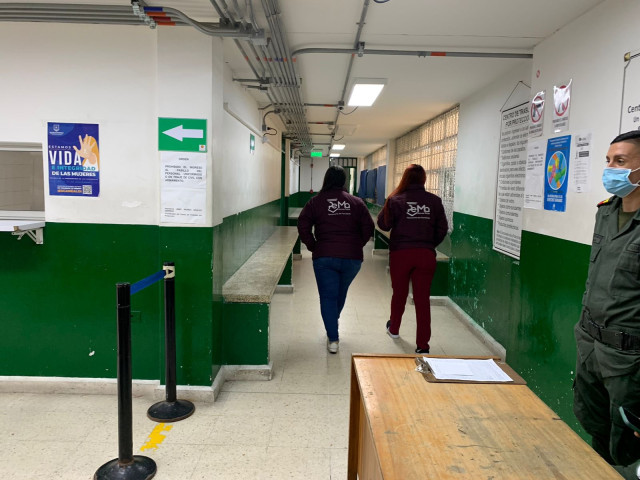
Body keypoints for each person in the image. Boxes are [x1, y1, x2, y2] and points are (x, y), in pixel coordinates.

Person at [573, 130, 640, 469]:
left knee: (628, 438)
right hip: (591, 345)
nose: (610, 169)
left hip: (628, 357)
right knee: (596, 427)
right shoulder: (606, 211)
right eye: (608, 161)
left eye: (621, 161)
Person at [297, 165, 374, 354]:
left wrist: (313, 245)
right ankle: (332, 324)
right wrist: (357, 244)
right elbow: (368, 227)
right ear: (343, 181)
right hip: (352, 259)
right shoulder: (356, 202)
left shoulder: (316, 202)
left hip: (324, 257)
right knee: (340, 293)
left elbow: (302, 224)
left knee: (328, 297)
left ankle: (333, 339)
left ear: (326, 179)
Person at [377, 164, 448, 354]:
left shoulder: (395, 199)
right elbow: (442, 229)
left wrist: (389, 202)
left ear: (405, 179)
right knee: (422, 300)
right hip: (425, 255)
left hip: (401, 254)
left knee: (399, 294)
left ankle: (394, 329)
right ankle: (423, 346)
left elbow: (383, 224)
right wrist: (428, 244)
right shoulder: (434, 201)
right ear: (424, 179)